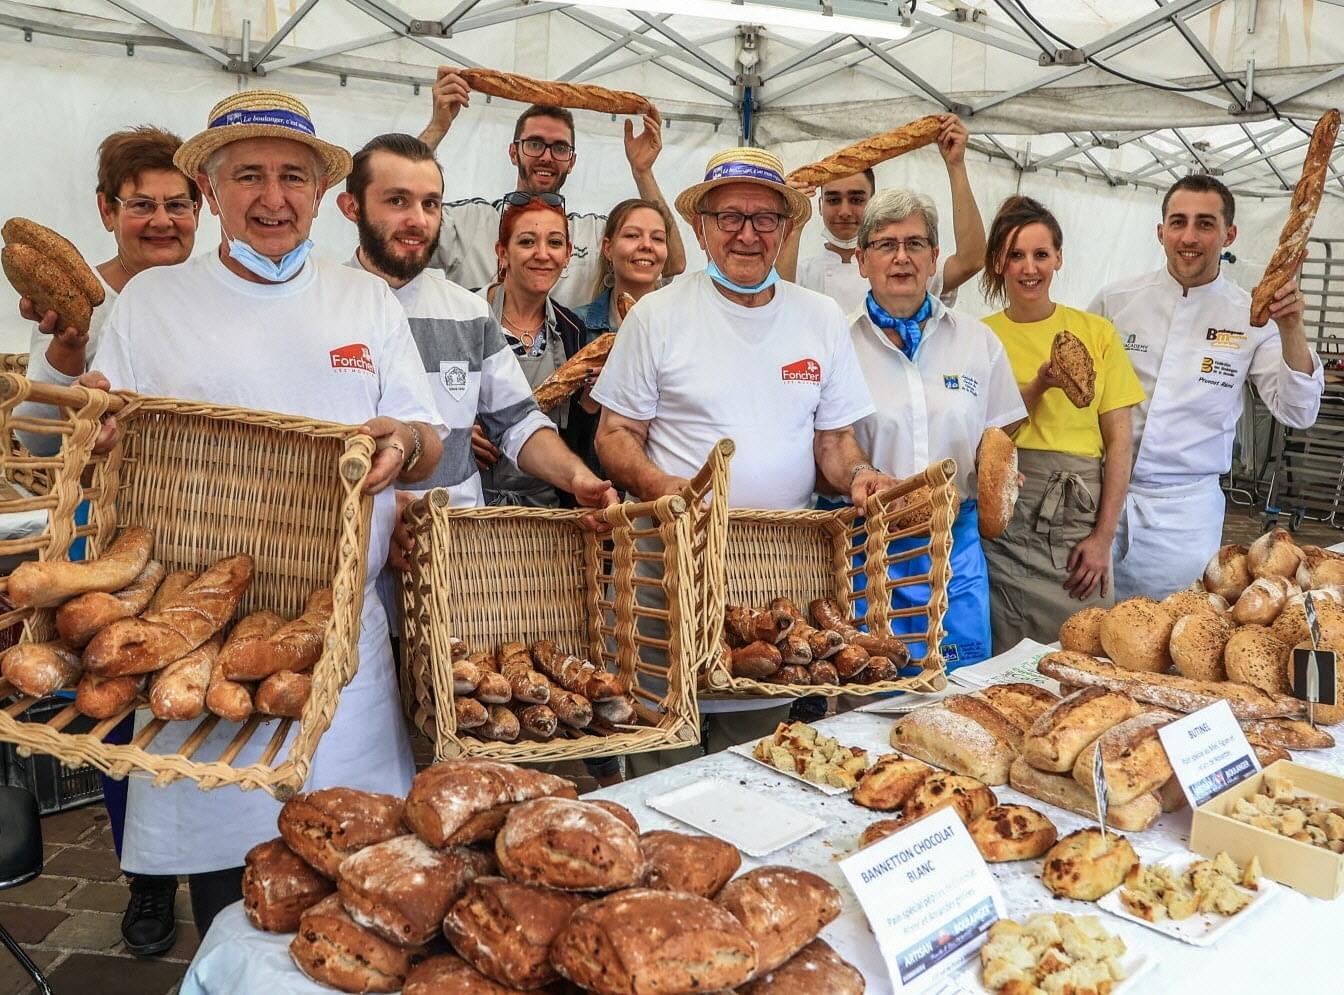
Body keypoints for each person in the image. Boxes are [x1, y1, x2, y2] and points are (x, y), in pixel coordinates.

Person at [50, 89, 446, 937]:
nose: (274, 197)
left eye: (294, 176)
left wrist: (404, 440)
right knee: (233, 893)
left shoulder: (364, 300)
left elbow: (428, 435)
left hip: (337, 643)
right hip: (190, 643)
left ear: (319, 192)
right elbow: (99, 438)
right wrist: (92, 422)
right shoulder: (151, 304)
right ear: (212, 190)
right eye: (251, 176)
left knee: (357, 866)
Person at [591, 147, 900, 773]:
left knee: (756, 748)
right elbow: (614, 434)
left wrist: (862, 476)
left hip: (776, 573)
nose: (747, 233)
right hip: (674, 562)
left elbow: (834, 445)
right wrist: (662, 485)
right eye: (730, 217)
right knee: (665, 738)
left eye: (764, 219)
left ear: (787, 229)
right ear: (702, 226)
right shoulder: (659, 314)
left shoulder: (818, 320)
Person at [335, 133, 625, 788]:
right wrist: (388, 507)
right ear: (351, 207)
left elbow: (517, 420)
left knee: (457, 745)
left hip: (454, 575)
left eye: (431, 203)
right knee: (368, 752)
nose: (417, 219)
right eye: (397, 200)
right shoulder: (325, 305)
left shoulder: (465, 311)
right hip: (351, 568)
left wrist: (578, 477)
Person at [13, 125, 201, 958]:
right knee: (121, 707)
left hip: (211, 523)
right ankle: (148, 880)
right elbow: (38, 446)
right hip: (112, 537)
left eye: (177, 204)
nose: (162, 221)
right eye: (142, 205)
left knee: (195, 707)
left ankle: (220, 866)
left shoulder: (218, 294)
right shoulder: (80, 313)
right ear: (106, 210)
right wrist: (60, 365)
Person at [1090, 174, 1322, 600]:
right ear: (1161, 232)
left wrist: (1291, 327)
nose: (1189, 236)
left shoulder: (1251, 316)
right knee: (1079, 631)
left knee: (1166, 644)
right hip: (1099, 501)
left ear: (1229, 234)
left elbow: (1299, 411)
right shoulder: (1115, 301)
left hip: (1184, 518)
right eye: (1178, 222)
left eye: (1205, 223)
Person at [848, 189, 1026, 668]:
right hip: (867, 549)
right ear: (862, 260)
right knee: (870, 690)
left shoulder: (976, 341)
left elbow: (1001, 434)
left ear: (933, 258)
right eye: (885, 245)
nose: (901, 257)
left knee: (959, 687)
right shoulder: (838, 344)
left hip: (954, 545)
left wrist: (1004, 474)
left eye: (915, 244)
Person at [980, 196, 1146, 651]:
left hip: (1077, 516)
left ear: (1058, 257)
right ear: (998, 262)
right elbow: (989, 442)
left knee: (1086, 647)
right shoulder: (979, 337)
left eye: (1040, 254)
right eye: (1016, 255)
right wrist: (1037, 386)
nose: (1029, 267)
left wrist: (1102, 537)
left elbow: (1119, 443)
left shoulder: (1096, 333)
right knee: (1005, 654)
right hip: (1008, 517)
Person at [418, 69, 686, 306]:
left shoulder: (592, 232)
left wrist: (643, 171)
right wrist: (437, 127)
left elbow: (673, 264)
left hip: (570, 362)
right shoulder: (470, 221)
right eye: (534, 144)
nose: (546, 156)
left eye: (559, 148)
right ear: (513, 152)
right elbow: (385, 228)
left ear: (572, 161)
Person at [778, 114, 985, 316]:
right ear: (820, 205)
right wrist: (794, 219)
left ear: (873, 202)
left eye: (857, 199)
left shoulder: (904, 265)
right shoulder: (803, 274)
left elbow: (971, 260)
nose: (844, 211)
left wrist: (956, 165)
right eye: (833, 200)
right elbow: (780, 303)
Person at [471, 194, 602, 507]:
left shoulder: (573, 331)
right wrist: (457, 435)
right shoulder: (465, 318)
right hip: (471, 507)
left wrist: (588, 405)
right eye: (527, 242)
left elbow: (575, 444)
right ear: (502, 253)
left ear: (568, 254)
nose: (543, 255)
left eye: (555, 243)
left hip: (547, 514)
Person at [574, 197, 672, 335]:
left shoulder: (685, 325)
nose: (647, 245)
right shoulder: (574, 327)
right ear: (608, 249)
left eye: (657, 238)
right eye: (632, 235)